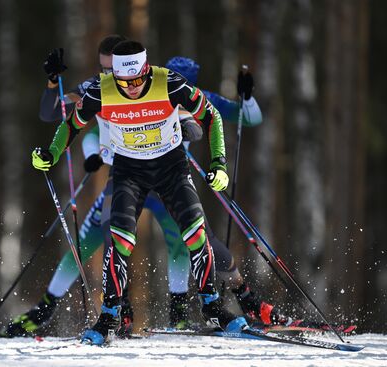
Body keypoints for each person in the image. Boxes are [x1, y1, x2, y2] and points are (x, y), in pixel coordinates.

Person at [31, 39, 253, 346]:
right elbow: (70, 124)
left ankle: (212, 306)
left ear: (146, 71)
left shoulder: (167, 83)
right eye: (125, 82)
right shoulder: (101, 89)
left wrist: (219, 163)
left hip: (171, 167)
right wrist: (52, 154)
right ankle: (109, 313)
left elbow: (211, 115)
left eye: (138, 80)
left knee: (196, 234)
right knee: (120, 239)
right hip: (129, 170)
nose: (132, 87)